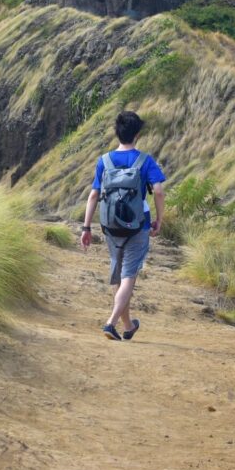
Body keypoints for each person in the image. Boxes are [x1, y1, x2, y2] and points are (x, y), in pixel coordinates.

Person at [81, 111, 166, 341]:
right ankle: (111, 323)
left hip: (110, 225)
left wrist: (86, 228)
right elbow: (158, 191)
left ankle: (128, 326)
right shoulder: (145, 161)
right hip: (138, 225)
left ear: (117, 133)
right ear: (137, 134)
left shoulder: (104, 161)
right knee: (129, 276)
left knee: (118, 274)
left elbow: (93, 195)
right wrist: (159, 219)